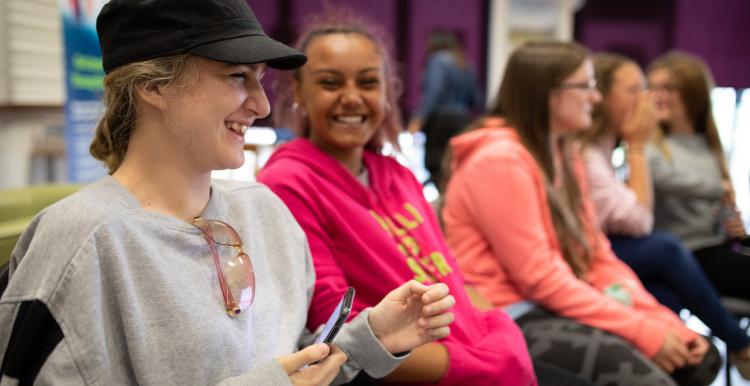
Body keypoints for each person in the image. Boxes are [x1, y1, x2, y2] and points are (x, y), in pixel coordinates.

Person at [0, 1, 457, 385]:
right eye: (238, 76)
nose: (261, 105)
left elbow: (295, 364)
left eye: (259, 79)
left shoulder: (266, 213)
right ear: (154, 86)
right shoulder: (80, 243)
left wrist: (368, 339)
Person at [257, 9, 554, 386]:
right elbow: (331, 322)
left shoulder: (397, 174)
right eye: (331, 83)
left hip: (478, 350)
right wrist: (475, 366)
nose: (351, 98)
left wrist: (500, 331)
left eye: (367, 82)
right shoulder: (287, 183)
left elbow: (449, 276)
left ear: (386, 91)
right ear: (299, 91)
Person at [442, 41, 721, 386]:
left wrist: (662, 322)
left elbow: (596, 256)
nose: (596, 98)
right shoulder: (499, 160)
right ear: (548, 94)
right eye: (586, 86)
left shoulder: (563, 154)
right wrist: (642, 331)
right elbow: (540, 278)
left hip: (551, 301)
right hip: (509, 313)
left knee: (702, 359)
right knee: (652, 377)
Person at [578, 52, 750, 378]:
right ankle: (741, 346)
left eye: (667, 88)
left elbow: (714, 211)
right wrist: (719, 187)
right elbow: (641, 218)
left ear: (693, 94)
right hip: (680, 251)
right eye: (643, 89)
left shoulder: (706, 143)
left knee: (666, 294)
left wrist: (732, 225)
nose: (652, 97)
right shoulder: (644, 145)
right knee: (666, 249)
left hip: (702, 247)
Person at [406, 29, 482, 190]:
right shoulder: (465, 63)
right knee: (453, 168)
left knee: (436, 168)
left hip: (440, 122)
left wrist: (419, 118)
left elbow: (434, 92)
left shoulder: (437, 61)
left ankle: (438, 209)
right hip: (462, 121)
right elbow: (476, 99)